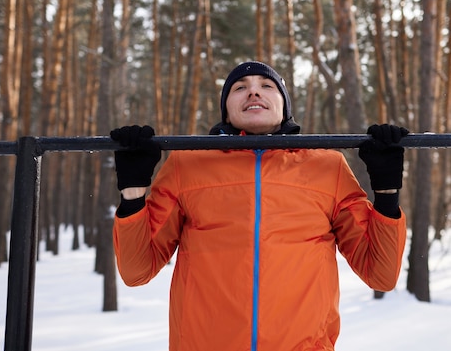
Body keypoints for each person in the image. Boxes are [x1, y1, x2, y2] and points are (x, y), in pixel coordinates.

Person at [110, 61, 408, 351]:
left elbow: (379, 274)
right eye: (240, 87)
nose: (254, 92)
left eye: (266, 85)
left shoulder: (327, 167)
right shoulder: (187, 165)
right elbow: (137, 270)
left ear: (283, 105)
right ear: (226, 109)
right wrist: (133, 193)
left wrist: (386, 193)